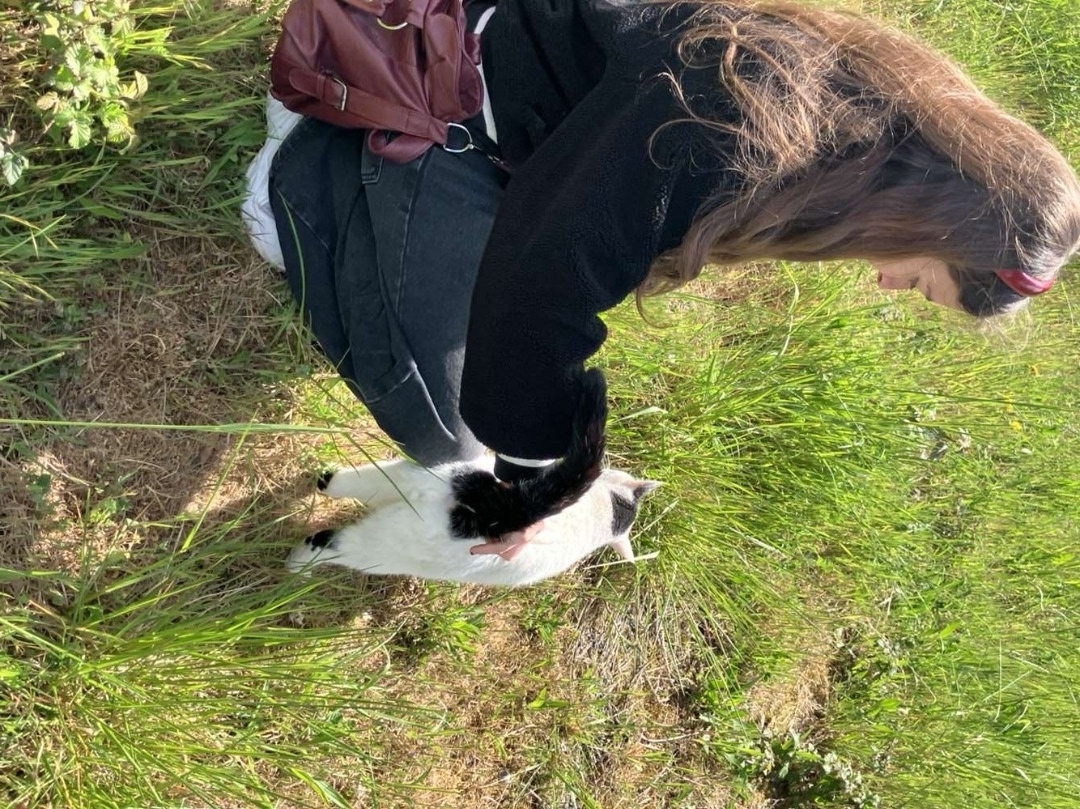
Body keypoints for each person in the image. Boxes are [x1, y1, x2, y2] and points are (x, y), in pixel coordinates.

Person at [245, 0, 1080, 490]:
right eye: (923, 281)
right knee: (449, 436)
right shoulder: (739, 134)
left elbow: (586, 222)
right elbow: (546, 275)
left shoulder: (868, 115)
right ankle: (309, 168)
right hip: (450, 83)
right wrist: (540, 472)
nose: (890, 286)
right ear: (931, 225)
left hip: (522, 91)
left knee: (478, 376)